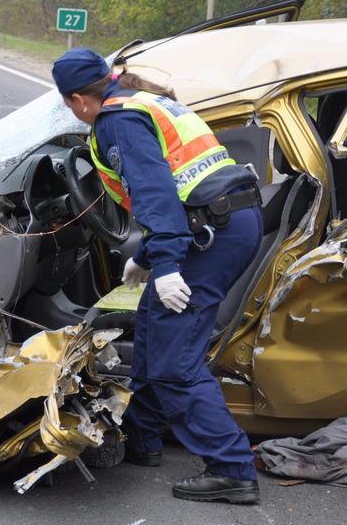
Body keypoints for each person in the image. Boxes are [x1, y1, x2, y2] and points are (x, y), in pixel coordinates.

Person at [51, 47, 263, 504]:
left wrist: (164, 266)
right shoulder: (141, 100)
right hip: (220, 220)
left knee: (173, 363)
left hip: (210, 233)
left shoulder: (115, 120)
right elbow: (183, 186)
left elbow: (155, 193)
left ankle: (233, 470)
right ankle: (141, 440)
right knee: (152, 327)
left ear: (76, 101)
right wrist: (147, 257)